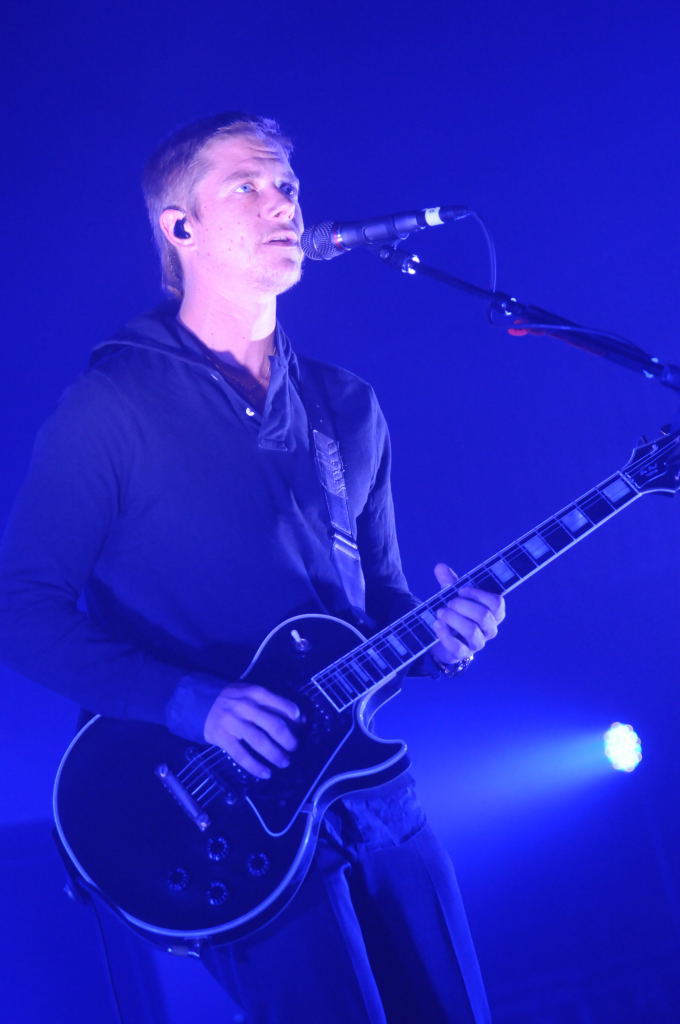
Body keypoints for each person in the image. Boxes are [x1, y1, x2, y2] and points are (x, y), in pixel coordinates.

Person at [0, 112, 505, 1023]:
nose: (283, 204)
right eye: (248, 186)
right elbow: (19, 607)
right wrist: (189, 702)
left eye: (288, 187)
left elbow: (382, 605)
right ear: (179, 225)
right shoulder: (110, 407)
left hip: (372, 794)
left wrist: (440, 640)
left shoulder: (348, 405)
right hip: (215, 805)